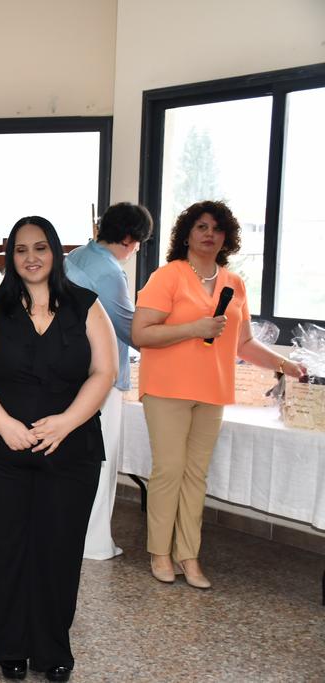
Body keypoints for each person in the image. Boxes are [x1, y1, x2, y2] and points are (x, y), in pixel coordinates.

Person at [0, 216, 117, 682]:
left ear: (56, 252)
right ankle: (9, 645)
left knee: (58, 550)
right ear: (11, 256)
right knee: (1, 549)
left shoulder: (87, 305)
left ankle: (52, 649)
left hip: (69, 450)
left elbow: (104, 372)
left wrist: (67, 421)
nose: (31, 257)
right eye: (21, 249)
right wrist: (5, 425)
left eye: (41, 247)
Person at [132, 200, 305, 589]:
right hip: (167, 388)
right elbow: (141, 333)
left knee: (196, 475)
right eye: (202, 227)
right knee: (169, 470)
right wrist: (194, 328)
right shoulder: (168, 276)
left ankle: (189, 556)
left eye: (217, 228)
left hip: (212, 390)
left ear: (227, 237)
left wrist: (285, 364)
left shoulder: (234, 283)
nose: (210, 234)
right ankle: (160, 552)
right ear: (187, 234)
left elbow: (244, 344)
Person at [64, 202, 153, 560]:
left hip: (70, 372)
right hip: (100, 376)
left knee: (74, 462)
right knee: (101, 462)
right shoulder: (109, 272)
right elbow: (131, 330)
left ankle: (71, 537)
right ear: (130, 239)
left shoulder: (77, 256)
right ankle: (94, 542)